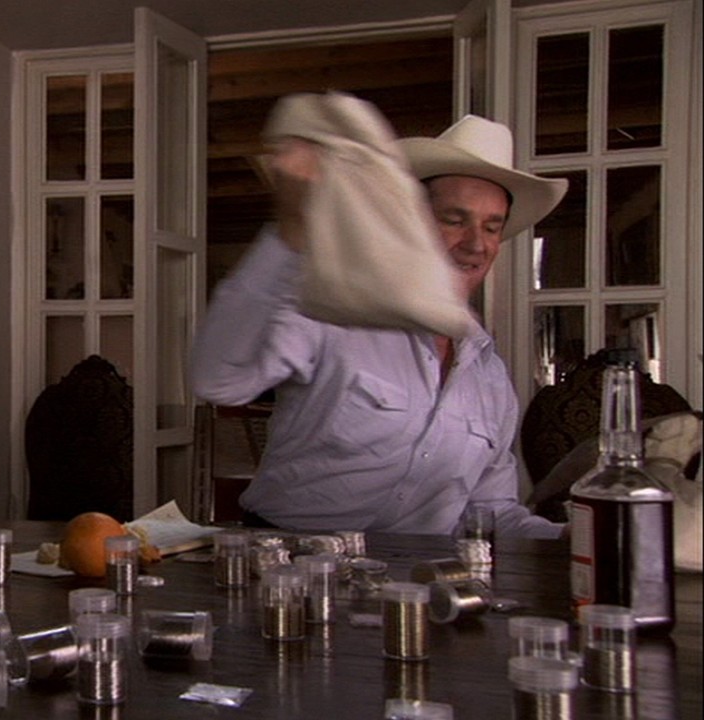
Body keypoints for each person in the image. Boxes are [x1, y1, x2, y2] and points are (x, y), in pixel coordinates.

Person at [190, 114, 567, 538]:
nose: (476, 244)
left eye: (491, 227)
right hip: (293, 563)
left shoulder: (490, 376)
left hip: (420, 575)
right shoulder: (334, 310)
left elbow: (491, 513)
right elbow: (218, 378)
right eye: (454, 219)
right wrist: (293, 231)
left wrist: (574, 537)